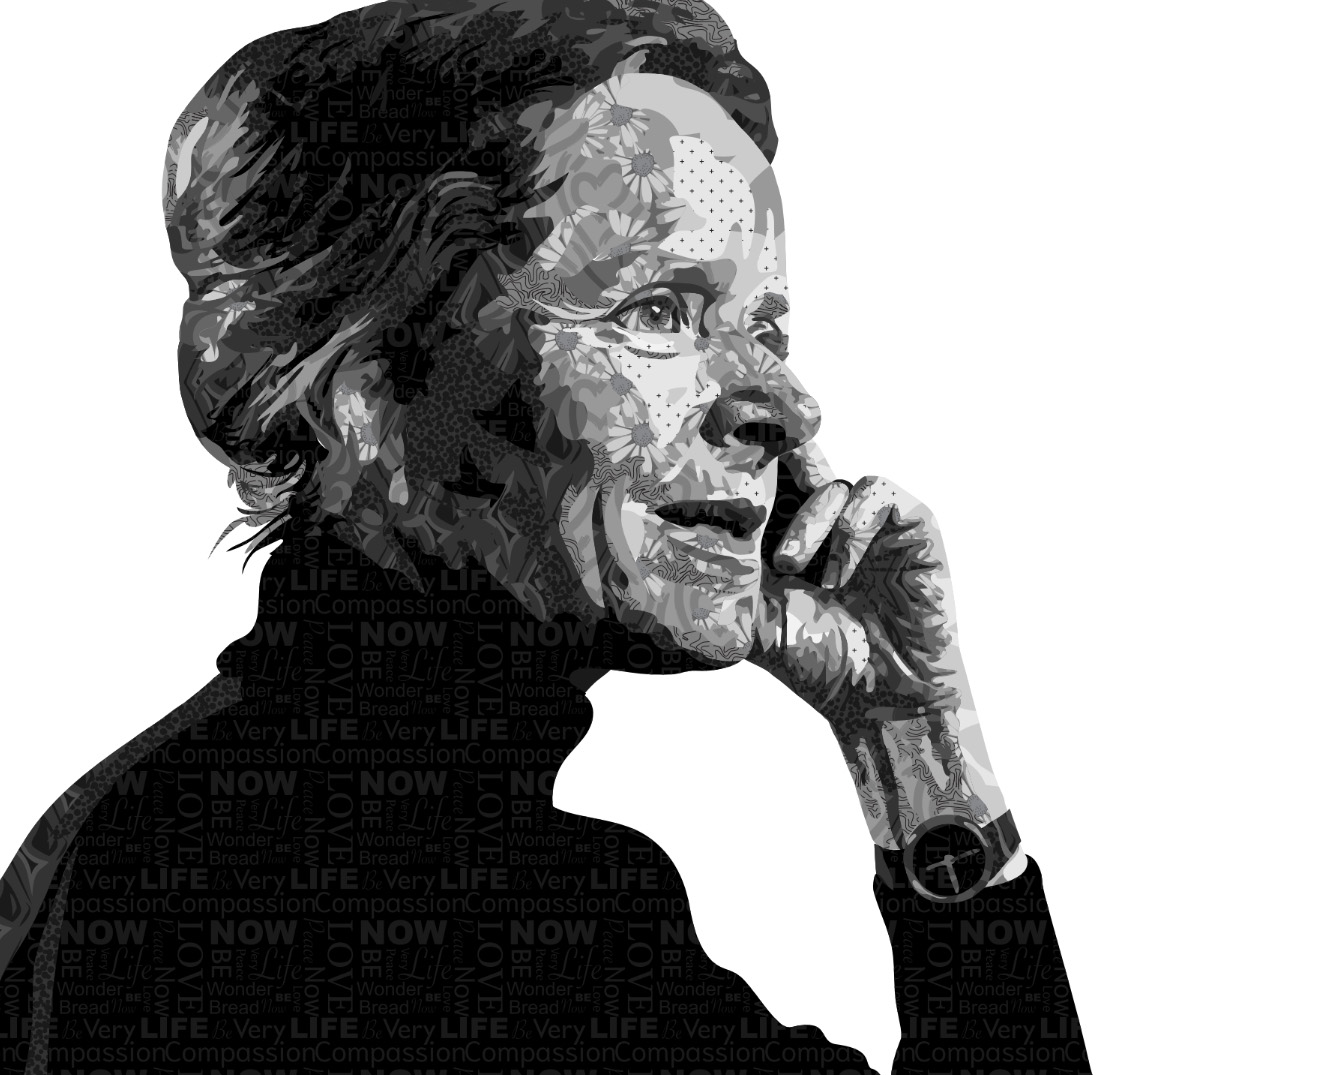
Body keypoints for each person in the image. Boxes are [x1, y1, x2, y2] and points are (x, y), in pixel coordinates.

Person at [0, 3, 1092, 1073]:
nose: (783, 406)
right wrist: (919, 742)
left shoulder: (198, 828)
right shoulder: (398, 910)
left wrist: (907, 725)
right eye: (656, 313)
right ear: (364, 389)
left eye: (763, 329)